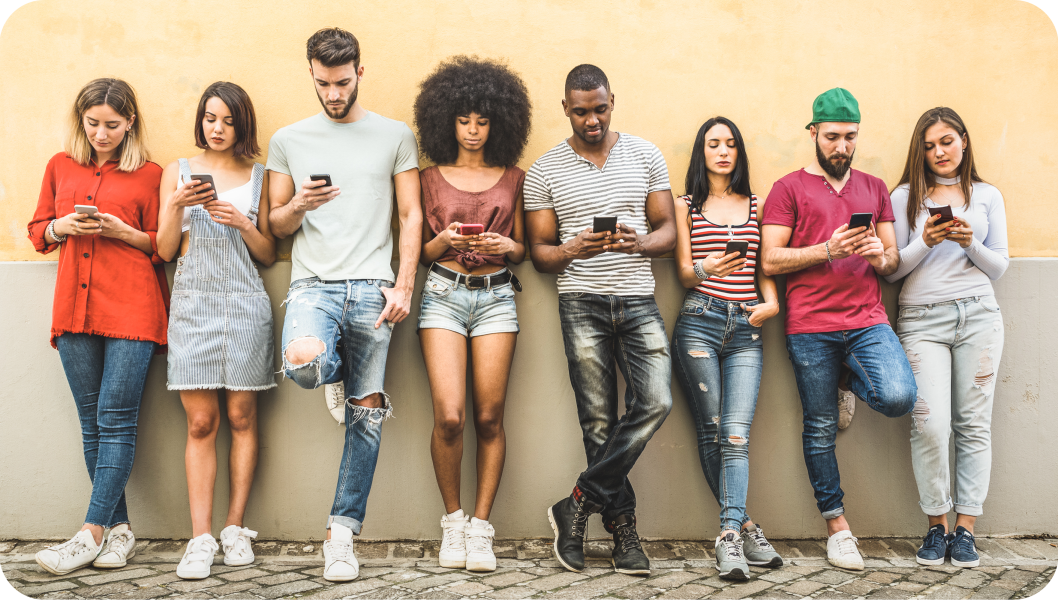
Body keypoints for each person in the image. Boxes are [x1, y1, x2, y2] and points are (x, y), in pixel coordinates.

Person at [267, 28, 421, 582]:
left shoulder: (395, 135)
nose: (333, 93)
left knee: (367, 416)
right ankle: (333, 366)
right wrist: (298, 205)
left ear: (360, 72)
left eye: (342, 82)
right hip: (314, 287)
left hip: (375, 287)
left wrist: (404, 285)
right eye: (323, 83)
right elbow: (273, 224)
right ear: (310, 74)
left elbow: (411, 216)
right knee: (304, 364)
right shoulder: (288, 138)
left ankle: (341, 534)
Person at [525, 64, 676, 576]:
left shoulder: (646, 154)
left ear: (614, 100)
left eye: (601, 109)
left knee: (656, 401)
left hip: (637, 299)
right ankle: (624, 532)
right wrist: (572, 247)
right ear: (565, 108)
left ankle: (578, 502)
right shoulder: (545, 169)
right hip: (581, 301)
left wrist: (640, 242)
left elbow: (669, 233)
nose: (593, 119)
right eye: (582, 111)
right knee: (597, 421)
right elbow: (540, 254)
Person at [759, 88, 916, 571]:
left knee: (898, 397)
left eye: (849, 137)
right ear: (813, 133)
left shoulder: (874, 186)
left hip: (867, 321)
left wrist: (876, 255)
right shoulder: (787, 189)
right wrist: (827, 250)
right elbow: (770, 258)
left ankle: (848, 379)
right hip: (809, 326)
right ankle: (838, 527)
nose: (841, 147)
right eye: (831, 137)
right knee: (820, 427)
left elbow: (890, 261)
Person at [27, 78, 168, 575]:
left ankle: (88, 533)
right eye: (93, 124)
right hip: (74, 310)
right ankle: (120, 531)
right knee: (92, 424)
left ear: (130, 122)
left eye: (112, 125)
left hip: (131, 308)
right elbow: (37, 232)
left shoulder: (152, 175)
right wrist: (59, 227)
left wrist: (120, 231)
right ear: (80, 120)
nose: (101, 134)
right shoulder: (59, 166)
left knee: (116, 418)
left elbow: (162, 245)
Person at [412, 56, 532, 573]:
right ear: (446, 120)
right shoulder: (428, 177)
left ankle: (481, 528)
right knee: (450, 415)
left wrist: (507, 244)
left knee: (488, 417)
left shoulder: (514, 176)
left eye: (484, 120)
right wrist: (440, 241)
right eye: (464, 119)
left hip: (497, 297)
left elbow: (525, 249)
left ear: (499, 121)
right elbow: (418, 252)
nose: (474, 130)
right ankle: (453, 521)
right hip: (442, 293)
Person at [156, 82, 277, 579]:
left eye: (228, 120)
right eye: (210, 118)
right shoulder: (176, 172)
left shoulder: (259, 175)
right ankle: (200, 537)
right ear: (200, 120)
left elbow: (269, 254)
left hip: (247, 304)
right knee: (201, 423)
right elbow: (164, 251)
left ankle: (234, 527)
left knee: (243, 417)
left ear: (242, 123)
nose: (218, 128)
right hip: (192, 304)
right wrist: (176, 205)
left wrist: (243, 224)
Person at [885, 107, 1007, 568]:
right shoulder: (904, 197)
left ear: (964, 141)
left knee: (974, 424)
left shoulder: (988, 195)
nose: (939, 152)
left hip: (978, 315)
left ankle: (965, 530)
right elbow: (894, 270)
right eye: (930, 145)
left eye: (947, 142)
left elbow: (999, 265)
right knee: (930, 424)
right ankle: (936, 524)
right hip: (921, 320)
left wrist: (968, 242)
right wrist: (927, 241)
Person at [670, 117, 783, 580]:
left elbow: (764, 267)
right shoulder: (686, 205)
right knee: (713, 429)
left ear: (739, 152)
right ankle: (741, 532)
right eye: (713, 144)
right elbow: (681, 273)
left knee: (734, 435)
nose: (723, 151)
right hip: (700, 318)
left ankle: (731, 534)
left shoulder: (758, 204)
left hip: (747, 328)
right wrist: (707, 265)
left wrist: (772, 302)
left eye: (730, 144)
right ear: (702, 151)